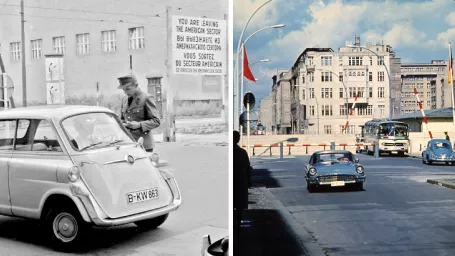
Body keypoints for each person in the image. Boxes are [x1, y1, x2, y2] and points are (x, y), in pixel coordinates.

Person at [118, 74, 161, 152]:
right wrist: (124, 124)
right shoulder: (124, 100)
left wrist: (139, 125)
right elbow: (122, 119)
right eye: (123, 89)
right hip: (129, 143)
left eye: (128, 89)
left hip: (144, 145)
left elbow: (156, 121)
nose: (125, 92)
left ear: (136, 85)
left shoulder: (146, 98)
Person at [233, 130, 251, 231]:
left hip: (233, 181)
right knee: (239, 205)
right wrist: (249, 180)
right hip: (240, 181)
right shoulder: (242, 153)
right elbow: (247, 168)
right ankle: (238, 224)